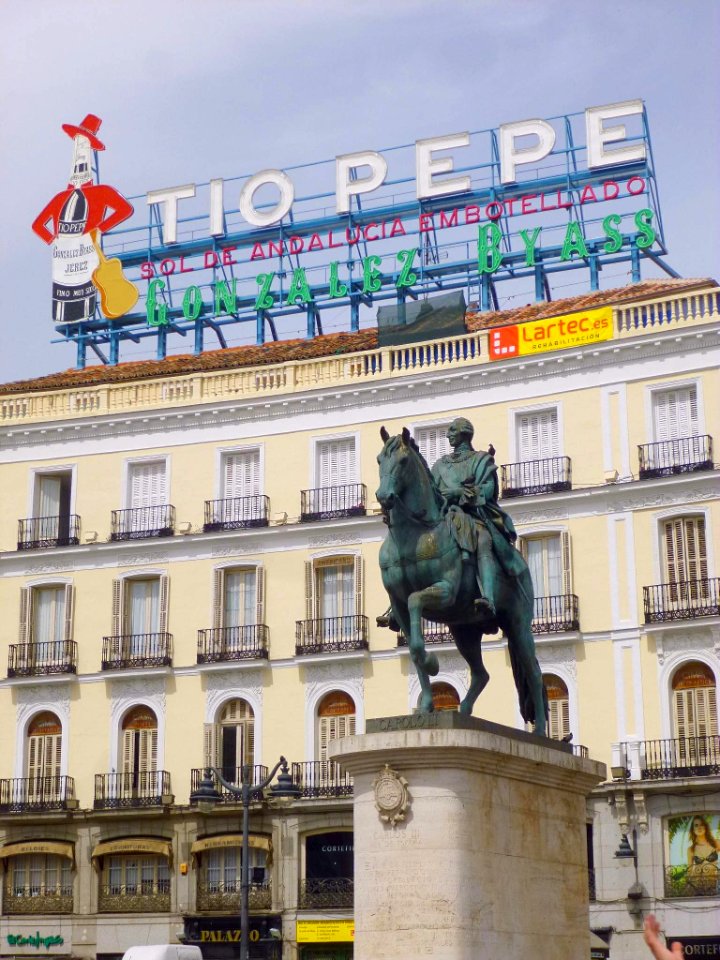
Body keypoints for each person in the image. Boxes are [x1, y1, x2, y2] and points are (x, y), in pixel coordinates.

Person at [430, 416, 525, 619]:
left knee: (482, 541)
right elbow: (430, 493)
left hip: (474, 516)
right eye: (449, 431)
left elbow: (488, 490)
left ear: (465, 433)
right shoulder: (439, 466)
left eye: (452, 430)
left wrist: (459, 493)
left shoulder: (481, 460)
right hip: (445, 517)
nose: (448, 434)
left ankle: (488, 598)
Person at [686, 815, 720, 894]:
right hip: (698, 884)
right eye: (696, 825)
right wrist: (687, 888)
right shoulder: (691, 849)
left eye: (702, 824)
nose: (699, 827)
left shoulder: (716, 843)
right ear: (693, 829)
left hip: (714, 882)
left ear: (706, 827)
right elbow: (689, 870)